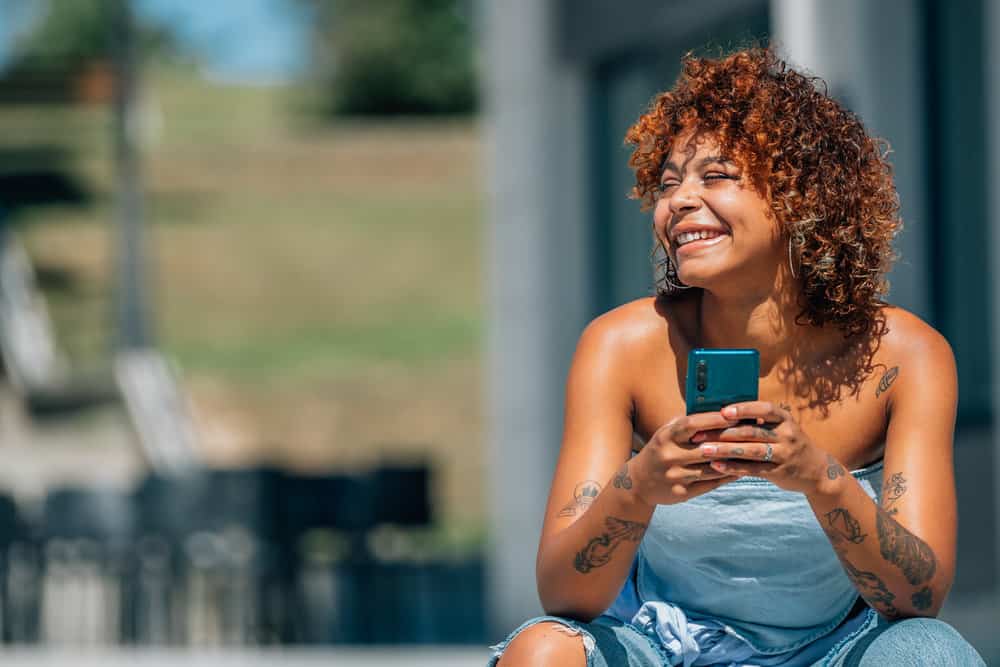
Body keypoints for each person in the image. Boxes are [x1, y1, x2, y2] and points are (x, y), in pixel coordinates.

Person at [488, 46, 985, 666]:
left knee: (927, 653)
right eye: (668, 183)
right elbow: (564, 594)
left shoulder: (904, 355)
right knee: (543, 652)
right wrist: (637, 487)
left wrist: (819, 477)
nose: (679, 202)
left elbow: (918, 598)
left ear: (800, 197)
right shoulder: (622, 347)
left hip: (836, 651)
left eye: (715, 177)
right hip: (662, 646)